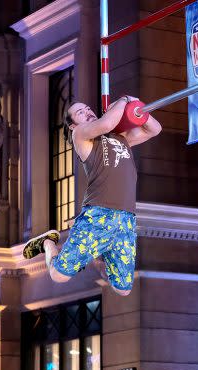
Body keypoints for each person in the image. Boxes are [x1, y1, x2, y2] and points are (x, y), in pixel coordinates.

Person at [23, 96, 162, 296]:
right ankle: (47, 243)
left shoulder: (121, 137)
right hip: (98, 215)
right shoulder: (80, 135)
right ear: (72, 126)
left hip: (126, 219)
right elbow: (106, 123)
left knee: (122, 289)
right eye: (81, 112)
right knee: (58, 275)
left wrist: (136, 105)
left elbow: (154, 129)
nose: (87, 111)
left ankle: (100, 253)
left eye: (88, 108)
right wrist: (123, 100)